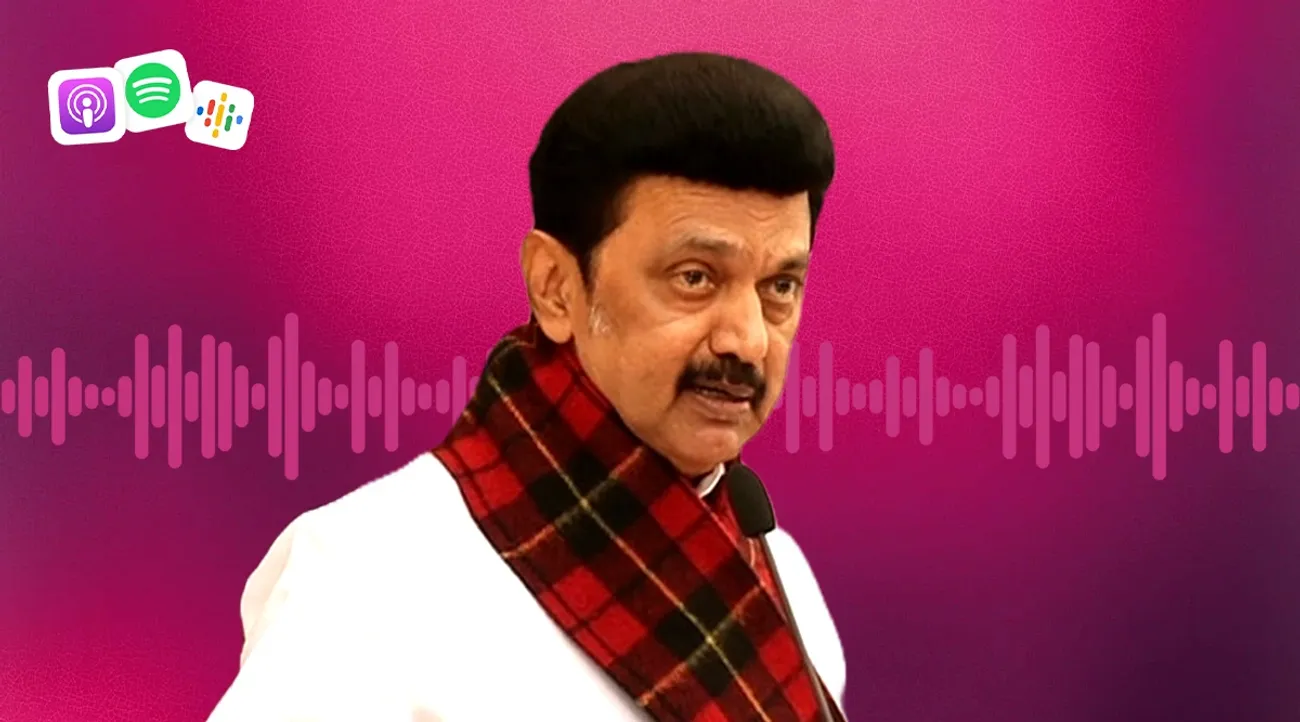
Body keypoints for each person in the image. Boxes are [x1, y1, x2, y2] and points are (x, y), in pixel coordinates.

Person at [206, 51, 847, 722]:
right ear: (556, 287)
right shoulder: (367, 573)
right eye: (695, 278)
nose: (748, 340)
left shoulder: (782, 579)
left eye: (780, 287)